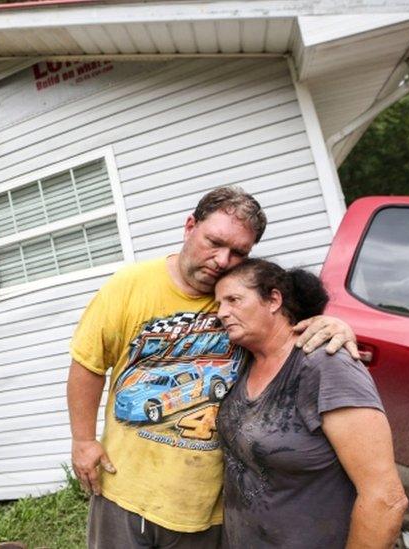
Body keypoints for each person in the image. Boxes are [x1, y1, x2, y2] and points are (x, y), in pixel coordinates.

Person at [67, 186, 360, 548]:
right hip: (128, 487)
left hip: (212, 502)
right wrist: (82, 440)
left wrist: (333, 324)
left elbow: (287, 324)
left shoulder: (245, 299)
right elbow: (88, 363)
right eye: (214, 242)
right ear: (190, 226)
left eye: (238, 252)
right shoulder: (129, 286)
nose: (222, 260)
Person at [214, 259, 407, 548]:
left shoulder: (325, 364)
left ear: (274, 300)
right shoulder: (242, 363)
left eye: (233, 300)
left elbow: (385, 499)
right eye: (218, 304)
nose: (221, 313)